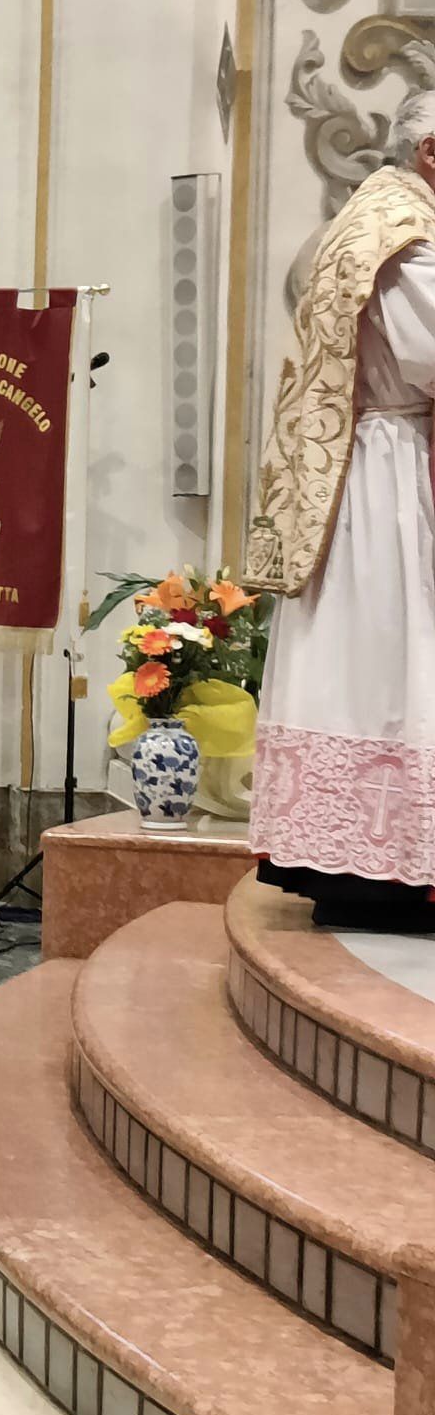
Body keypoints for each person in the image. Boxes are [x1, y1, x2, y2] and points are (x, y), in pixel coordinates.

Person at [247, 90, 435, 933]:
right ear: (433, 152)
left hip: (379, 464)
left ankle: (372, 865)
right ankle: (388, 872)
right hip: (391, 475)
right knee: (392, 657)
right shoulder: (401, 236)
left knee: (374, 659)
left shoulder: (375, 216)